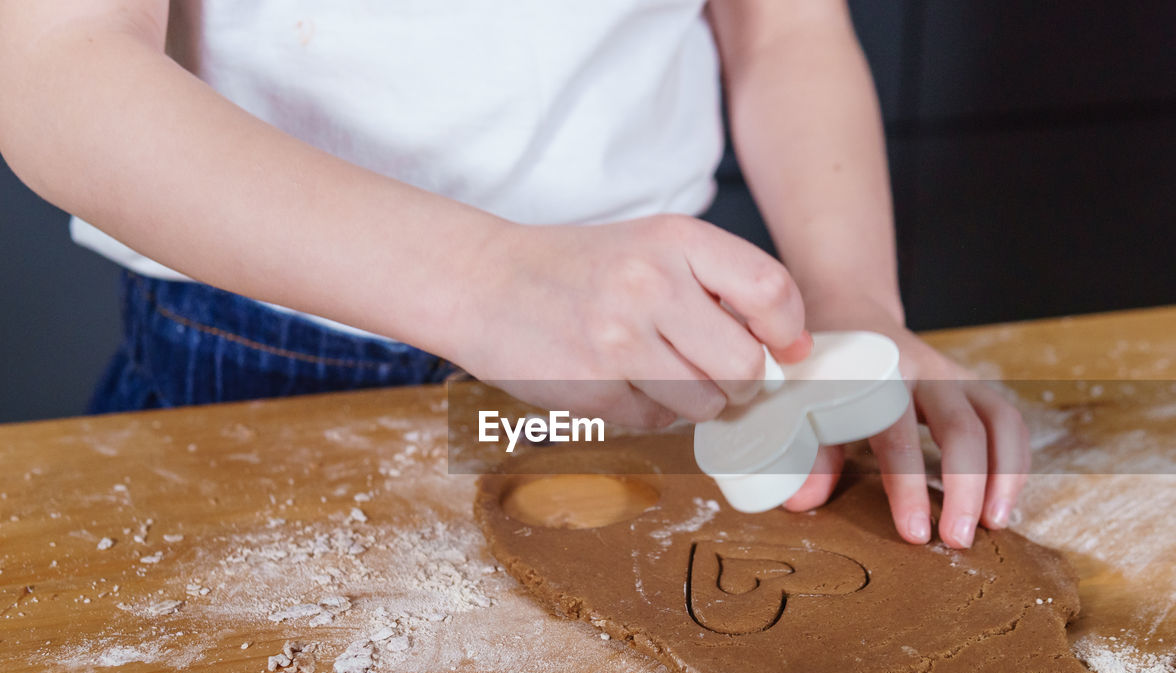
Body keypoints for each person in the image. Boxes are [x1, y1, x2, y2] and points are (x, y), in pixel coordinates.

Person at [0, 0, 1028, 548]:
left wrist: (848, 312)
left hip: (661, 372)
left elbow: (783, 27)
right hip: (257, 372)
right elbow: (57, 66)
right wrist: (485, 282)